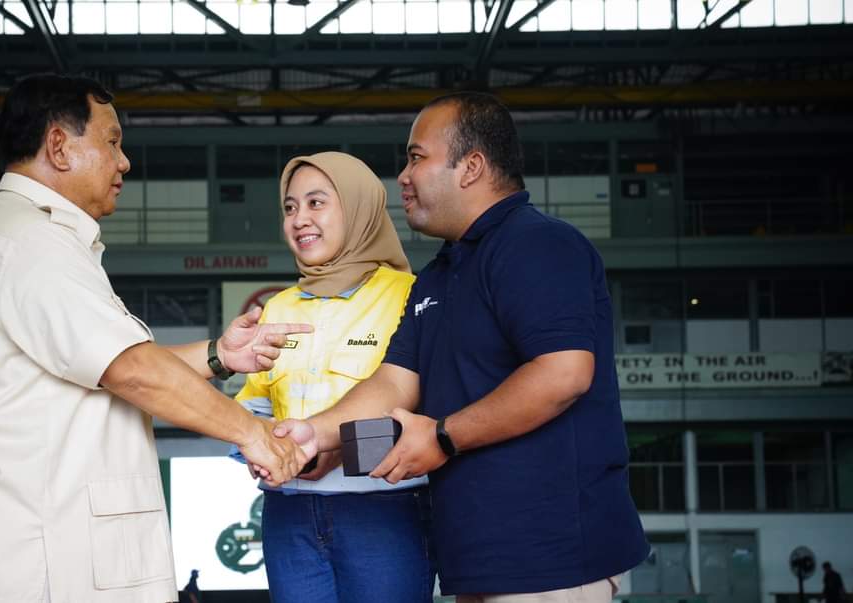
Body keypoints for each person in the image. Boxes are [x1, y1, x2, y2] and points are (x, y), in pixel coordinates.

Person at [0, 74, 311, 603]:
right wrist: (254, 434)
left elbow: (102, 361)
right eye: (112, 142)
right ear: (59, 147)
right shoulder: (29, 243)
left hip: (16, 558)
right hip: (16, 565)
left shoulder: (31, 236)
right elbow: (131, 370)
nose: (124, 162)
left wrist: (219, 356)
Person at [275, 92, 649, 603]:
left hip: (551, 558)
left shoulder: (539, 244)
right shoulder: (437, 276)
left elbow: (565, 373)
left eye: (416, 157)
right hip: (476, 559)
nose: (402, 177)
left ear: (471, 167)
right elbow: (394, 381)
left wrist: (444, 436)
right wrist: (314, 434)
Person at [236, 152, 433, 603]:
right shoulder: (278, 307)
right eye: (290, 207)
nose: (299, 219)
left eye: (316, 203)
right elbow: (255, 405)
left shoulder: (410, 296)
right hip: (288, 512)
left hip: (383, 509)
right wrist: (257, 445)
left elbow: (430, 409)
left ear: (358, 208)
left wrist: (338, 449)